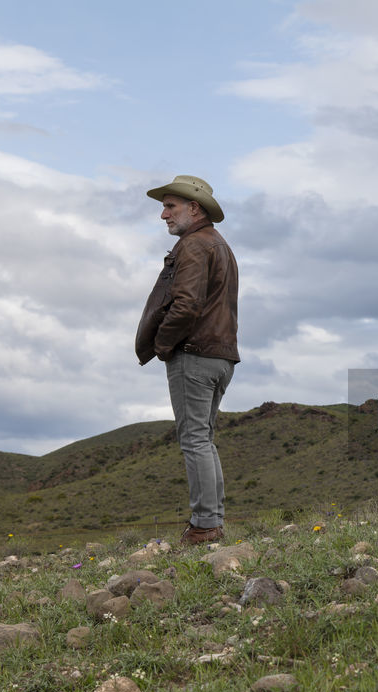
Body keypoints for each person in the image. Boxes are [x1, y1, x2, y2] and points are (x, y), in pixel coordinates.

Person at [135, 175, 240, 545]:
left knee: (194, 439)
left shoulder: (194, 246)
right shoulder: (219, 245)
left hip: (194, 354)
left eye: (170, 206)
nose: (163, 214)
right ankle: (210, 521)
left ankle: (205, 526)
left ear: (193, 208)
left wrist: (163, 345)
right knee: (203, 439)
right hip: (220, 355)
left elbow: (186, 304)